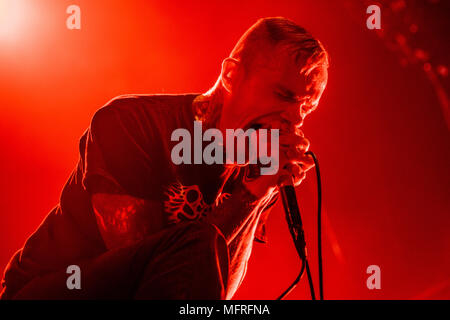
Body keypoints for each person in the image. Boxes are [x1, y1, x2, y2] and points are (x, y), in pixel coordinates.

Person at [0, 16, 328, 300]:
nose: (295, 119)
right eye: (284, 95)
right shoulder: (131, 123)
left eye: (307, 106)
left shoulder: (253, 167)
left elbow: (210, 289)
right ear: (231, 76)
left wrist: (258, 193)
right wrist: (246, 196)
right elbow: (152, 271)